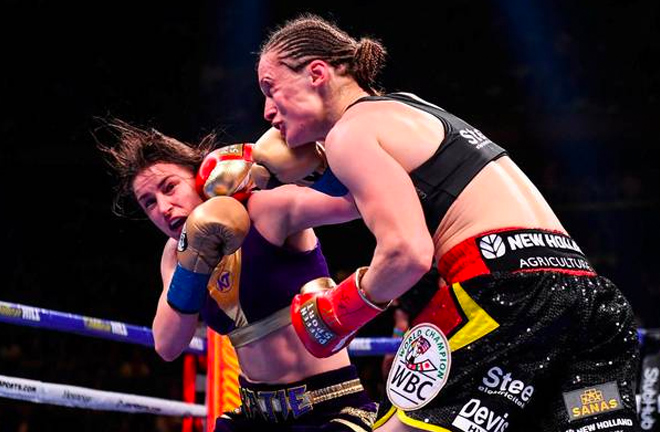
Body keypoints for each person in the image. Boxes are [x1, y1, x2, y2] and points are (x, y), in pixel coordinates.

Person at [254, 14, 641, 432]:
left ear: (316, 73)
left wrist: (337, 313)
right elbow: (350, 203)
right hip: (586, 294)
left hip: (506, 293)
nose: (266, 110)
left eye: (270, 88)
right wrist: (265, 174)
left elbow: (407, 253)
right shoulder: (406, 108)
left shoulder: (351, 134)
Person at [98, 119, 378, 432]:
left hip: (329, 409)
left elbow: (357, 201)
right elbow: (167, 346)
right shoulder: (174, 255)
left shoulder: (263, 210)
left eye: (169, 187)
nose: (163, 207)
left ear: (199, 177)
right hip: (253, 417)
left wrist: (316, 168)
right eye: (149, 202)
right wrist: (193, 266)